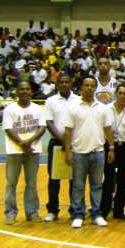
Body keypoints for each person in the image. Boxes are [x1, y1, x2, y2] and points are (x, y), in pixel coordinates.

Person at [64, 76, 115, 228]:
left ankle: (96, 214)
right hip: (79, 152)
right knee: (78, 185)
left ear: (95, 88)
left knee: (97, 185)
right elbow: (67, 132)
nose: (89, 88)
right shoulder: (73, 106)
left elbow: (108, 129)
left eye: (92, 86)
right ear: (81, 88)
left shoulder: (102, 107)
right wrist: (68, 151)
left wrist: (111, 147)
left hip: (98, 152)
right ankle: (78, 214)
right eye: (86, 85)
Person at [2, 81, 46, 224]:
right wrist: (22, 143)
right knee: (11, 183)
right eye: (22, 89)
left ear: (31, 92)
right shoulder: (9, 109)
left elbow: (42, 127)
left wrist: (29, 142)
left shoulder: (38, 109)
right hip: (14, 151)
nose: (25, 91)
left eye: (27, 89)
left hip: (33, 151)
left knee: (31, 183)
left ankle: (32, 212)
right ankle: (10, 212)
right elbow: (8, 129)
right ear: (17, 92)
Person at [43, 74, 79, 222]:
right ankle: (52, 210)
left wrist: (69, 141)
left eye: (67, 82)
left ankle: (74, 209)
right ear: (57, 84)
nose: (64, 84)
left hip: (74, 144)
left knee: (74, 180)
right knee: (53, 179)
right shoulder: (51, 101)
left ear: (71, 83)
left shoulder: (78, 100)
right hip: (56, 143)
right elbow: (49, 123)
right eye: (61, 82)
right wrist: (63, 139)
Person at [101, 84, 125, 220]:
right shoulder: (106, 109)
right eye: (121, 93)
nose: (123, 96)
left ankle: (119, 210)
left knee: (124, 181)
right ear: (116, 93)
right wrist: (110, 146)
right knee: (108, 180)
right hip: (109, 147)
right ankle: (104, 209)